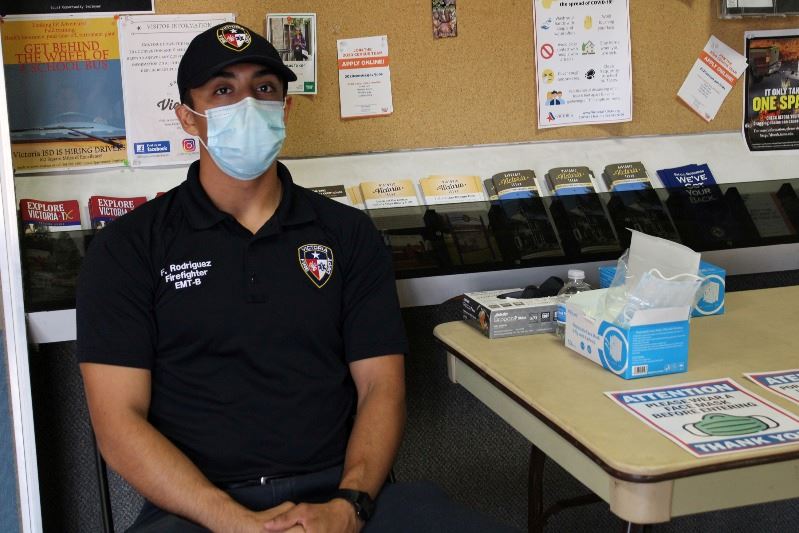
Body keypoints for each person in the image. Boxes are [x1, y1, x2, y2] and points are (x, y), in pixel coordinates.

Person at [77, 22, 518, 533]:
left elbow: (381, 388)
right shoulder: (128, 248)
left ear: (285, 110)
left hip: (341, 495)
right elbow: (118, 422)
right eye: (223, 90)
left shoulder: (347, 235)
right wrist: (233, 520)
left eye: (264, 89)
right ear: (188, 118)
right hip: (196, 509)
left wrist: (349, 506)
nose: (247, 103)